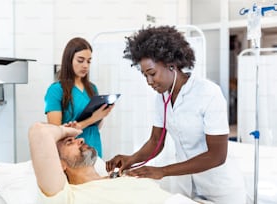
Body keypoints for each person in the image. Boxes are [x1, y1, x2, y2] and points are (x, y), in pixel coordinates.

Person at [106, 25, 246, 204]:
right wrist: (130, 159)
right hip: (186, 188)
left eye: (152, 73)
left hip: (220, 189)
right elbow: (156, 141)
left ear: (171, 65)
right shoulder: (162, 98)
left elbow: (217, 155)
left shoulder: (208, 93)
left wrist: (163, 171)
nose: (149, 82)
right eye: (145, 76)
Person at [28, 122, 198, 204]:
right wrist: (67, 130)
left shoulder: (125, 177)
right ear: (60, 165)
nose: (80, 140)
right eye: (69, 142)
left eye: (76, 138)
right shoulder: (66, 196)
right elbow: (38, 131)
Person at [44, 37, 113, 158]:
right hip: (73, 155)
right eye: (80, 60)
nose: (85, 66)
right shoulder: (56, 90)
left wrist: (102, 115)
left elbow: (96, 127)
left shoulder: (92, 88)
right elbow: (55, 133)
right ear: (68, 60)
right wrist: (93, 118)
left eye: (89, 61)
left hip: (94, 148)